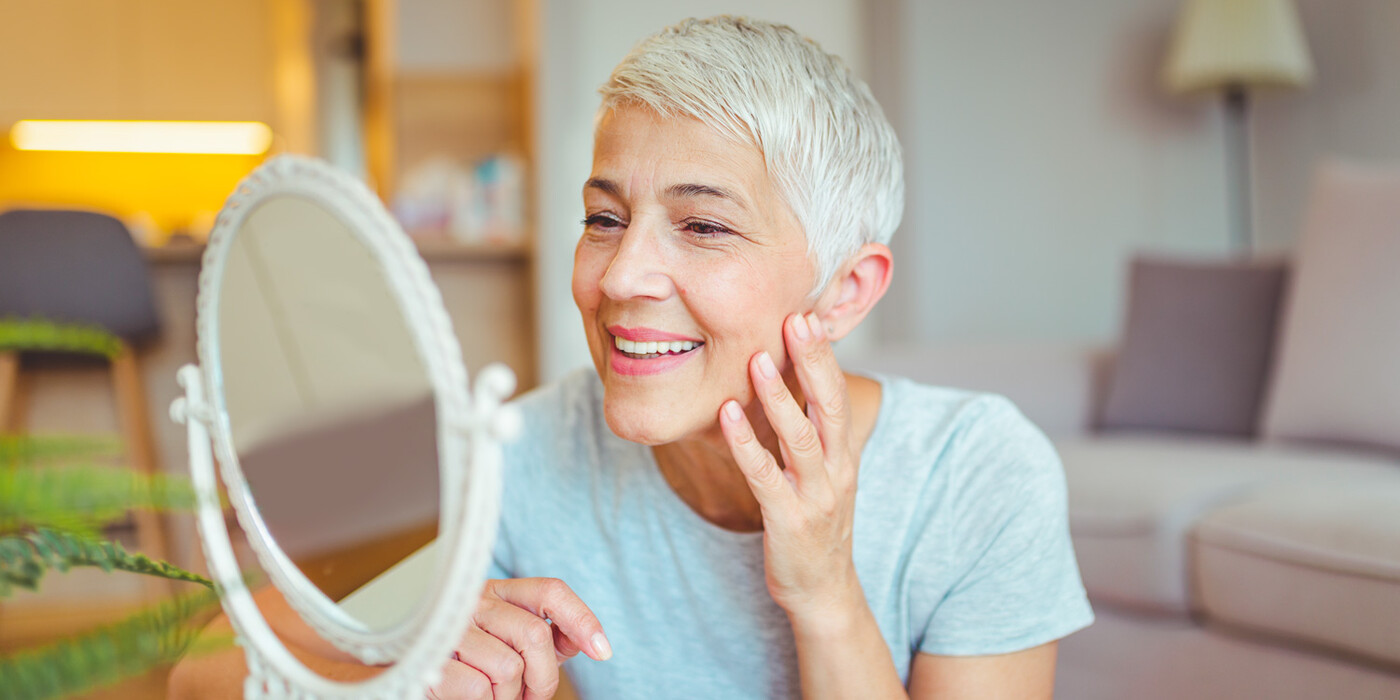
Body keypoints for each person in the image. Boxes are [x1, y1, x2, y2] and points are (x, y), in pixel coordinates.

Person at [169, 15, 1092, 699]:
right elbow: (203, 669)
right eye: (604, 219)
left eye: (703, 226)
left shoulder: (976, 474)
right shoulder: (514, 452)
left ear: (847, 290)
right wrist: (401, 650)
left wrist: (824, 592)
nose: (620, 276)